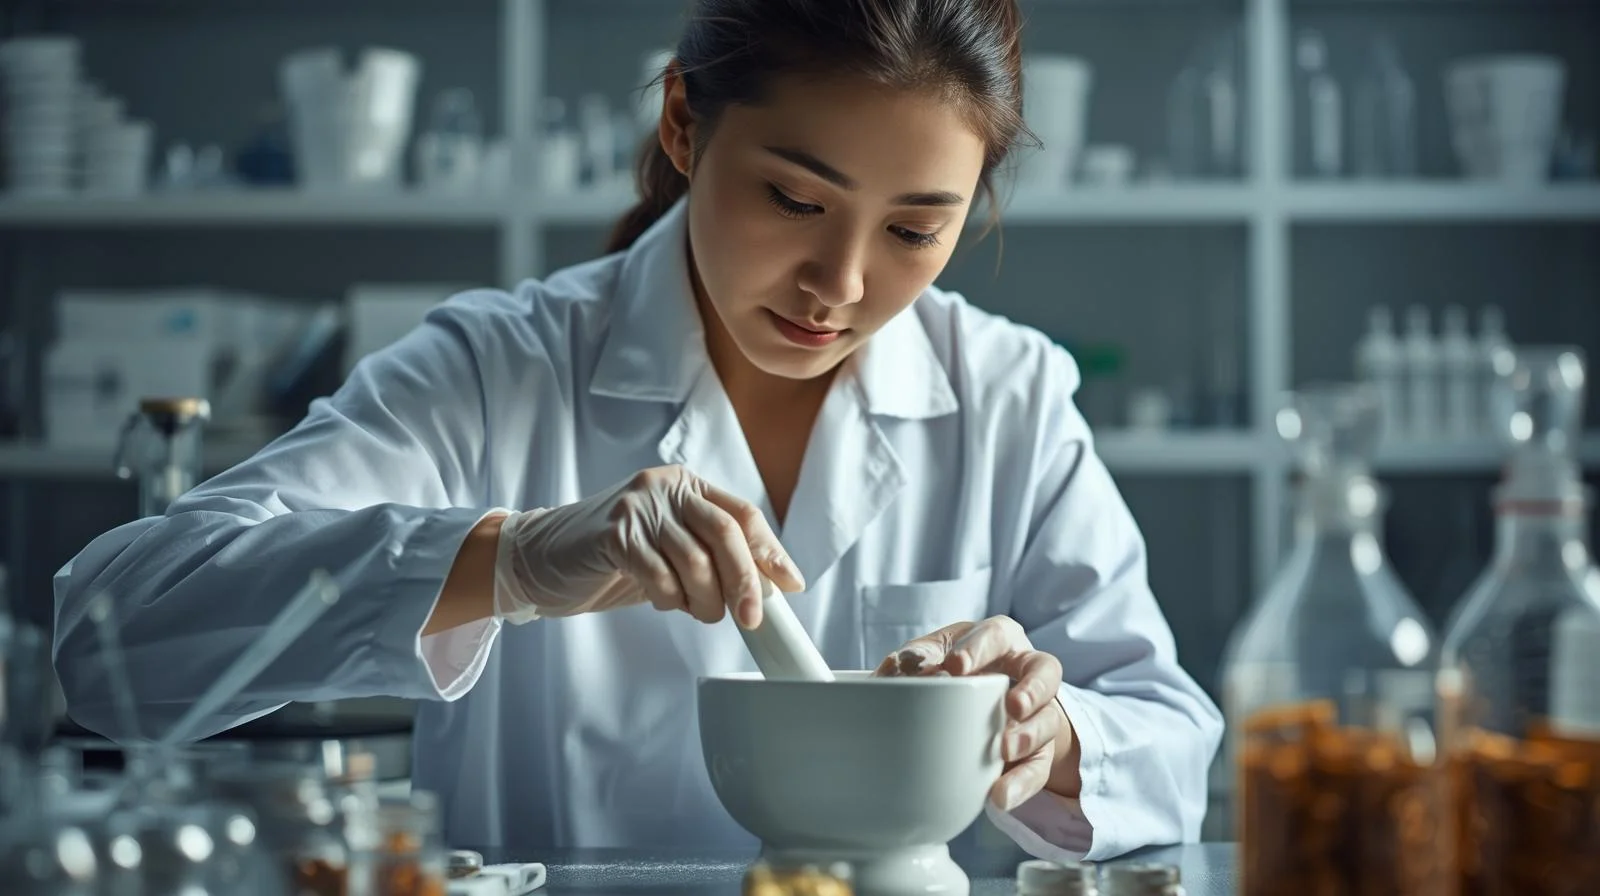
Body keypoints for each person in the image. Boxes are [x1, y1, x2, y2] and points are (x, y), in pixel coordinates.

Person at [53, 0, 1221, 862]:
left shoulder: (1006, 393)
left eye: (915, 231)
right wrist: (509, 558)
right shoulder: (498, 367)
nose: (840, 283)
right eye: (795, 201)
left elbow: (1169, 736)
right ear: (681, 122)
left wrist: (1045, 726)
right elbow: (110, 642)